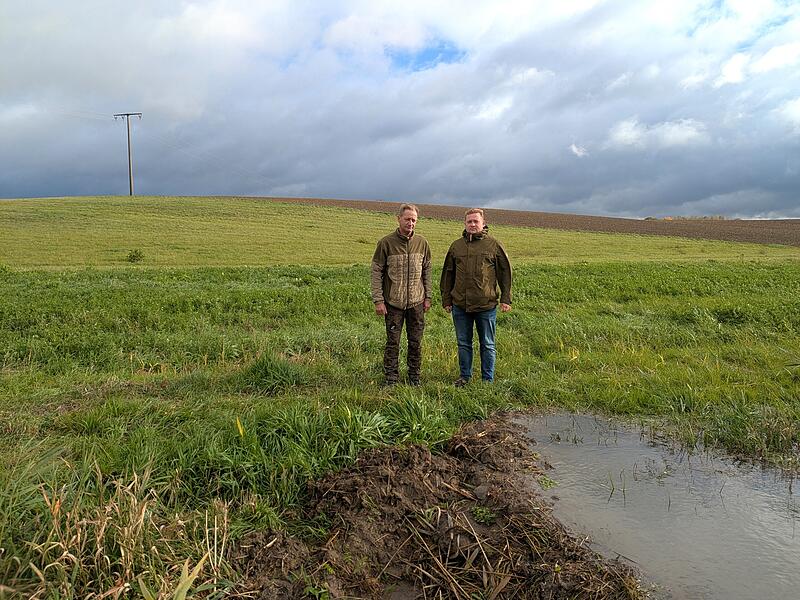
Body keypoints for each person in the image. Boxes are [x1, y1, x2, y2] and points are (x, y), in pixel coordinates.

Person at [440, 208, 512, 386]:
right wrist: (447, 299)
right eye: (469, 222)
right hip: (460, 305)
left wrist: (505, 298)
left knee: (487, 343)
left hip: (486, 305)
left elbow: (505, 272)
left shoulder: (493, 245)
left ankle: (487, 380)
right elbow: (448, 274)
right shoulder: (456, 246)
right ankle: (465, 376)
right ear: (465, 223)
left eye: (475, 221)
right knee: (463, 343)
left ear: (483, 222)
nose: (472, 224)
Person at [371, 204, 432, 386]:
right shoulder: (385, 243)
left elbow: (427, 270)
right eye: (407, 219)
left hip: (416, 302)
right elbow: (376, 272)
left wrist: (428, 297)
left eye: (414, 220)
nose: (410, 223)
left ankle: (414, 377)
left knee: (415, 342)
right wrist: (378, 300)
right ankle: (391, 379)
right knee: (393, 343)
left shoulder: (422, 243)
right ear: (398, 219)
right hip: (393, 303)